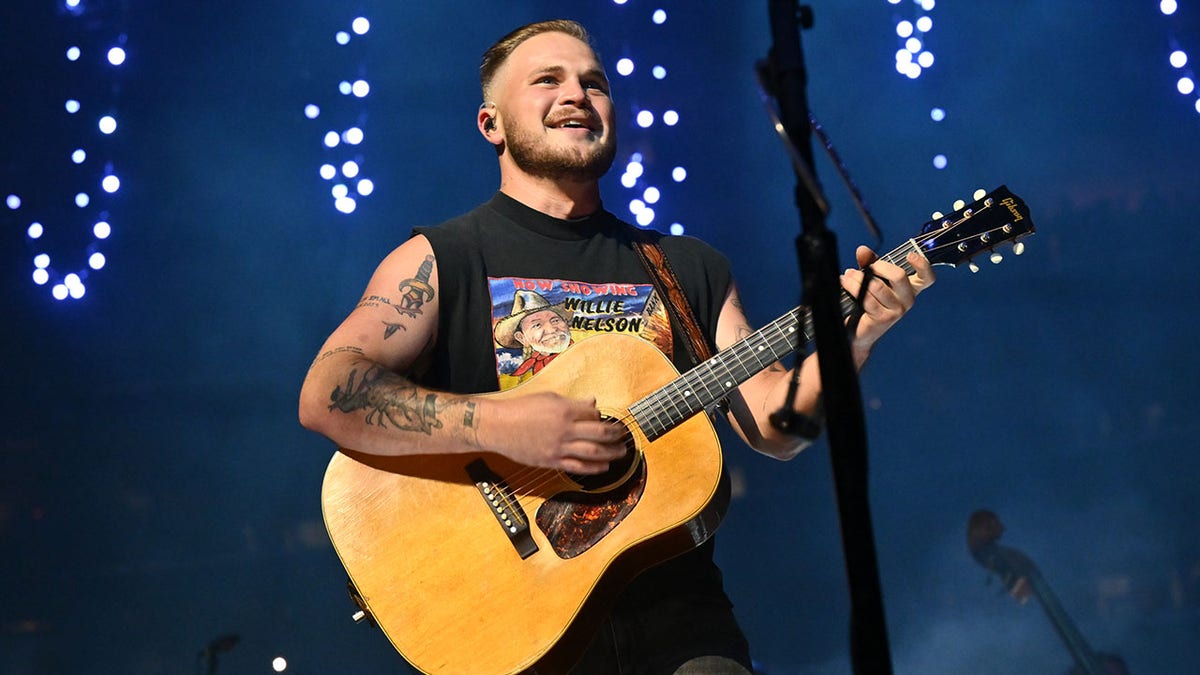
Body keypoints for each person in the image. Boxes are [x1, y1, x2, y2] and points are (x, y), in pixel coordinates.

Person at [298, 18, 934, 675]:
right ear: (491, 124)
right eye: (548, 79)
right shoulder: (441, 258)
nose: (577, 93)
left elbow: (775, 424)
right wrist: (506, 423)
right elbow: (328, 394)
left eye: (594, 83)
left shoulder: (687, 267)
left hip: (687, 636)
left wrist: (856, 336)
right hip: (519, 630)